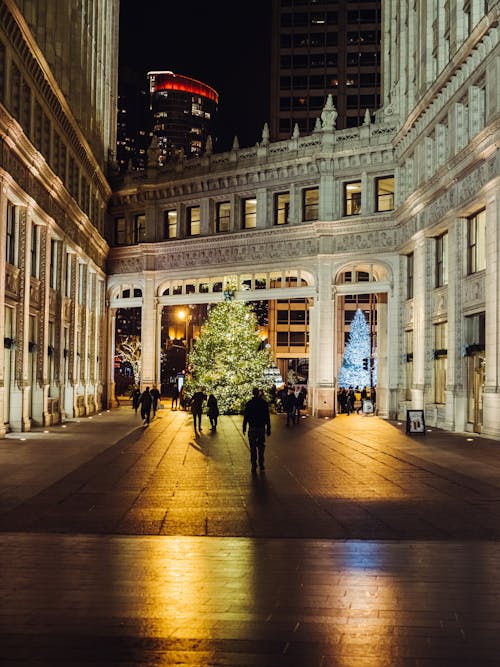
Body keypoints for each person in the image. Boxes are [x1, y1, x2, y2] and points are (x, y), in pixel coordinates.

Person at [242, 387, 271, 473]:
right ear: (258, 393)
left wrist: (244, 426)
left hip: (252, 427)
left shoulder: (249, 403)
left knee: (253, 447)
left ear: (252, 393)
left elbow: (246, 416)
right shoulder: (264, 403)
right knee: (261, 446)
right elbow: (267, 417)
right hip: (261, 428)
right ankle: (261, 464)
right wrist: (268, 427)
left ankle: (254, 465)